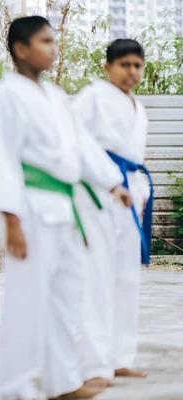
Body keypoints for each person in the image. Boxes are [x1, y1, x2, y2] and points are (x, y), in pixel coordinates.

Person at [0, 16, 133, 399]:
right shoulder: (6, 95)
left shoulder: (54, 97)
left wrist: (113, 182)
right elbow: (0, 158)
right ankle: (15, 388)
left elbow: (82, 146)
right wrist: (10, 220)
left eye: (54, 40)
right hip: (28, 207)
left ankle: (62, 382)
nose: (53, 47)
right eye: (45, 41)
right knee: (26, 301)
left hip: (66, 208)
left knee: (67, 297)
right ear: (20, 49)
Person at [73, 38, 151, 387]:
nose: (132, 72)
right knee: (97, 276)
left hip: (131, 195)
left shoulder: (139, 107)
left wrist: (140, 192)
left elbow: (136, 159)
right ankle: (95, 363)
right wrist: (110, 183)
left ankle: (121, 357)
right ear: (107, 67)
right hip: (98, 193)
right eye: (125, 65)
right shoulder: (91, 98)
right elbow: (77, 144)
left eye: (137, 65)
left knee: (126, 277)